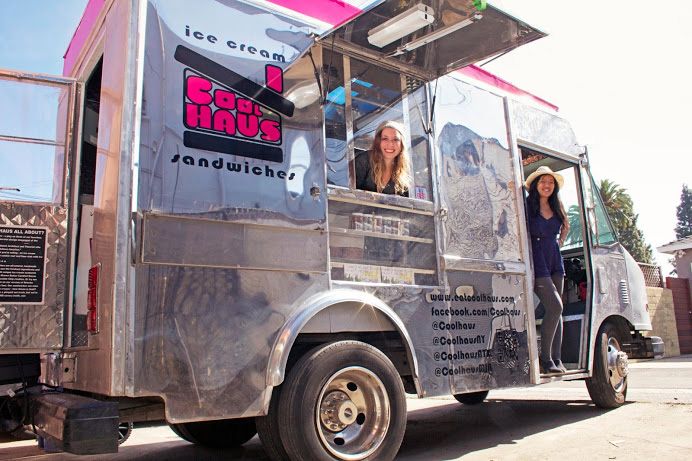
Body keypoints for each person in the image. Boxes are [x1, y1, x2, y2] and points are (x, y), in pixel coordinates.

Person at [524, 165, 570, 374]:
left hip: (554, 258)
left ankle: (557, 358)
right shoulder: (527, 205)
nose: (547, 185)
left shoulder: (557, 205)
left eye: (550, 182)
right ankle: (545, 359)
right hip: (537, 257)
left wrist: (560, 241)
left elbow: (564, 226)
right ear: (535, 184)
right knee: (555, 307)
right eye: (543, 181)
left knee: (557, 311)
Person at [355, 120, 411, 196]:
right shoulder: (364, 160)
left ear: (402, 144)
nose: (390, 144)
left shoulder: (404, 173)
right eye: (385, 139)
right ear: (378, 142)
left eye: (395, 139)